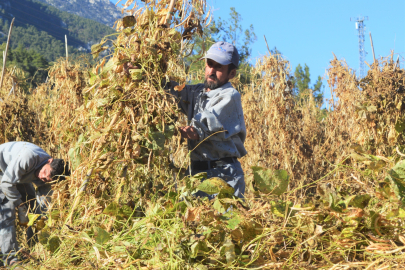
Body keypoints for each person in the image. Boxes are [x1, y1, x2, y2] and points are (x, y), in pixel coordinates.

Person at [166, 41, 247, 199]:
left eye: (219, 68)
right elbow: (169, 92)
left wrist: (177, 131)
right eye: (210, 64)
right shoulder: (196, 93)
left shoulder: (230, 96)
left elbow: (202, 125)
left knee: (223, 222)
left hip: (224, 176)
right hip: (197, 175)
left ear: (231, 74)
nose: (211, 71)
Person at [0, 141, 69, 267]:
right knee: (7, 212)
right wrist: (20, 207)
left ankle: (34, 247)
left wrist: (43, 219)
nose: (43, 178)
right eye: (44, 174)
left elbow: (43, 201)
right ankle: (10, 259)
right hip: (3, 173)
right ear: (49, 161)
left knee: (32, 204)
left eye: (47, 179)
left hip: (18, 175)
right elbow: (6, 183)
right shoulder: (28, 157)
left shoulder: (48, 175)